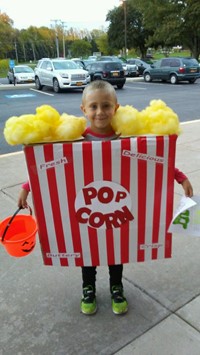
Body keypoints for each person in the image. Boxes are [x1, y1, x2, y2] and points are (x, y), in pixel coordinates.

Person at [18, 80, 193, 316]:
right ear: (83, 110)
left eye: (106, 105)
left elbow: (157, 160)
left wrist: (180, 177)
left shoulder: (128, 138)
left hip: (115, 213)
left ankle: (116, 286)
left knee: (116, 250)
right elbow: (46, 167)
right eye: (93, 106)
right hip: (87, 215)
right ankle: (88, 287)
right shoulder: (73, 139)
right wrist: (27, 187)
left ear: (116, 107)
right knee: (86, 249)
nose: (100, 112)